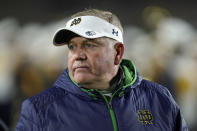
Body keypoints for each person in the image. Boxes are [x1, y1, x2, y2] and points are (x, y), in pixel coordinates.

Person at [15, 9, 188, 131]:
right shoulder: (39, 110)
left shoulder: (159, 99)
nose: (78, 55)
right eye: (72, 47)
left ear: (118, 52)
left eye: (89, 45)